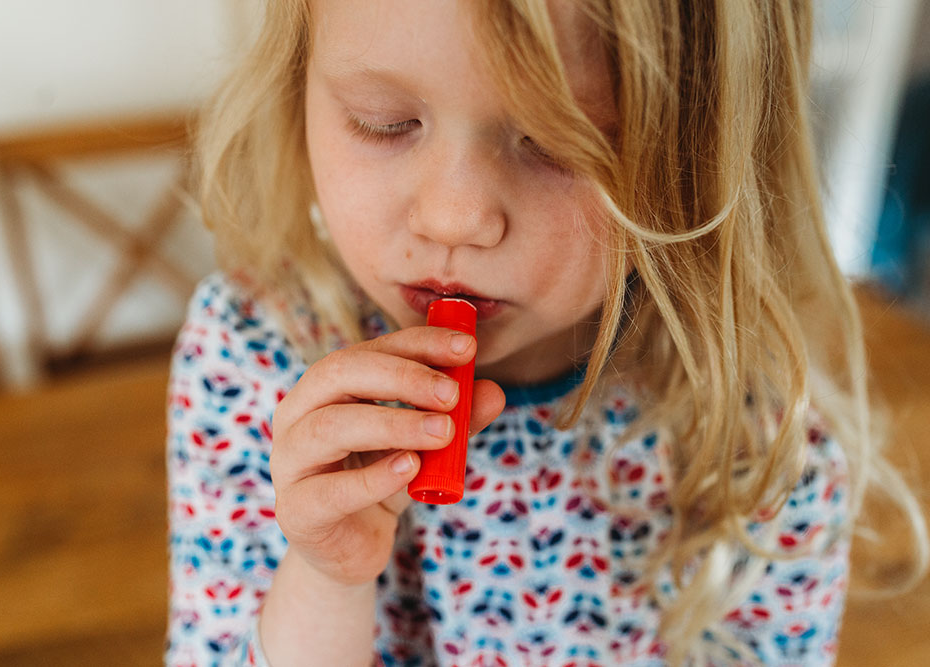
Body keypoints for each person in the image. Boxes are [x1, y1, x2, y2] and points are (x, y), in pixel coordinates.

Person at [165, 1, 928, 665]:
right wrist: (326, 577)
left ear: (702, 156)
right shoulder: (251, 358)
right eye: (384, 122)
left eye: (556, 142)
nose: (453, 218)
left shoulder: (756, 435)